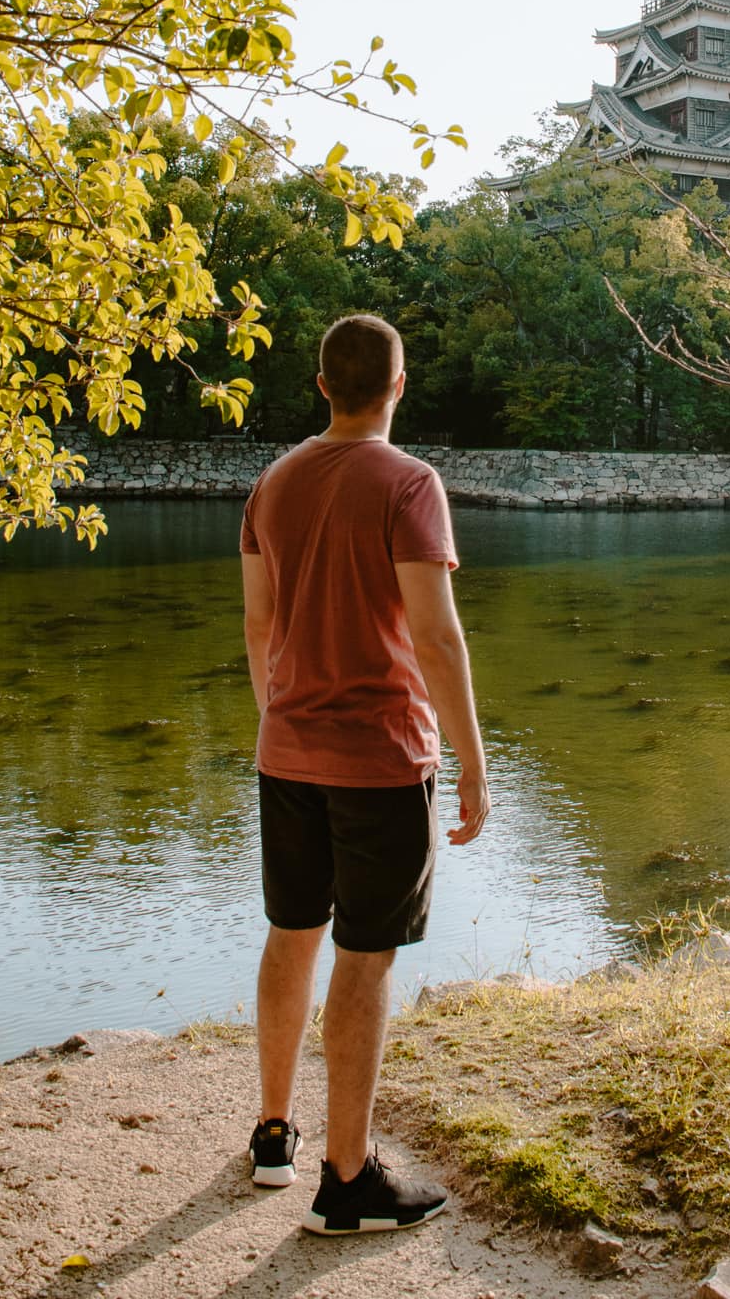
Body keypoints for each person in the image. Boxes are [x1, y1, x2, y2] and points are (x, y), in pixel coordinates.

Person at [239, 312, 491, 1235]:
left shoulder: (273, 481)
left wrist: (279, 722)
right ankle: (346, 1180)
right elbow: (435, 634)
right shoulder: (408, 481)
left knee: (290, 931)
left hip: (287, 749)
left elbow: (260, 625)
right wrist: (471, 758)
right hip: (382, 759)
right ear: (398, 383)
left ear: (320, 386)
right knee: (364, 955)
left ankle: (274, 1136)